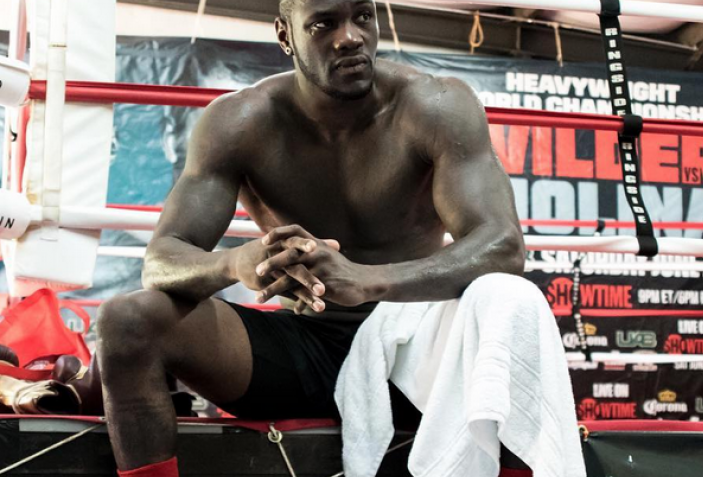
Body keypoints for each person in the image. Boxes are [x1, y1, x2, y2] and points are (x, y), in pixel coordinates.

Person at [95, 0, 525, 475]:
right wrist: (235, 264)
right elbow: (161, 259)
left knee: (513, 303)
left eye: (363, 16)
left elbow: (502, 245)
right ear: (286, 36)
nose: (351, 37)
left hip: (415, 351)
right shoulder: (240, 121)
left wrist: (367, 280)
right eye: (324, 24)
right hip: (303, 345)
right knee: (127, 319)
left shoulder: (436, 105)